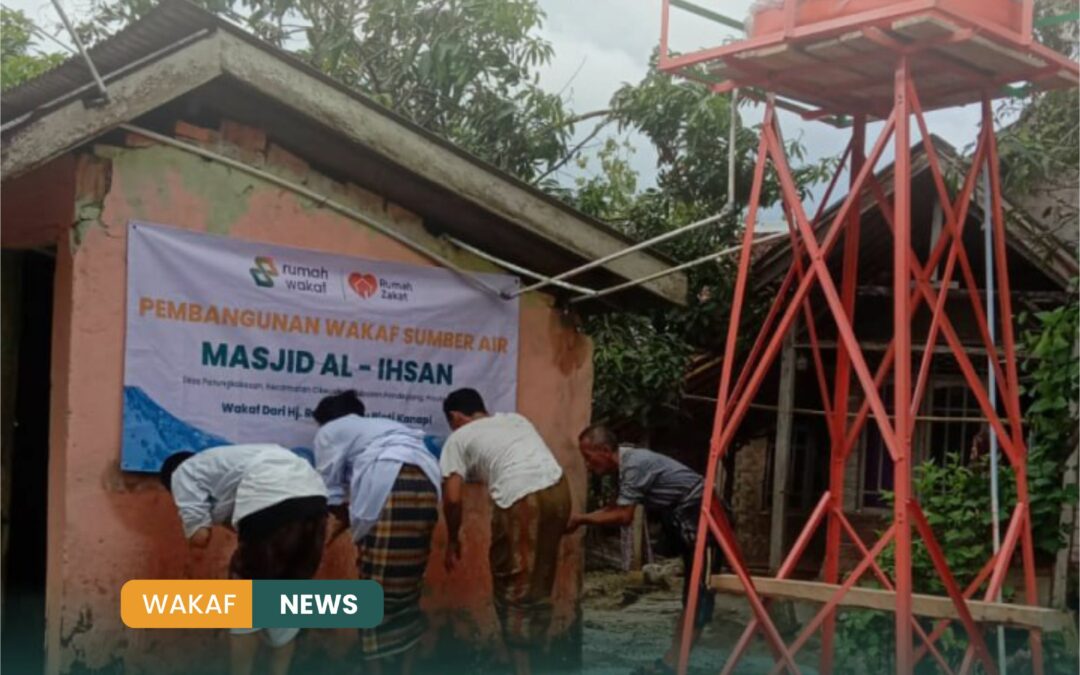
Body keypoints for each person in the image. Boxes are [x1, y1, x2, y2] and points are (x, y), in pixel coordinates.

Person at [567, 425, 727, 675]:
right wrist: (581, 518)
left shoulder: (633, 465)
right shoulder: (627, 465)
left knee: (698, 597)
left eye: (588, 457)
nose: (587, 465)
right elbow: (614, 508)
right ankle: (673, 664)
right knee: (691, 597)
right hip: (690, 524)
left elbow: (623, 516)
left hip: (705, 523)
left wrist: (581, 520)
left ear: (605, 450)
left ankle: (675, 666)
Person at [159, 444, 329, 675]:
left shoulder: (182, 473)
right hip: (316, 503)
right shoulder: (232, 472)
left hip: (276, 505)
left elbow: (200, 537)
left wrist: (193, 537)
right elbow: (246, 526)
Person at [439, 388, 571, 675]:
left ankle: (522, 668)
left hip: (523, 499)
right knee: (539, 584)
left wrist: (452, 539)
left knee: (513, 589)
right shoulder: (515, 420)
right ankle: (540, 662)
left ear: (454, 417)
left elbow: (451, 497)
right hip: (559, 489)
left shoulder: (458, 438)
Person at [311, 391, 441, 675]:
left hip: (391, 484)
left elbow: (330, 493)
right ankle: (405, 666)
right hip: (427, 482)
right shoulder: (382, 429)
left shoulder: (330, 431)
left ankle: (375, 668)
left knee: (375, 590)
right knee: (407, 582)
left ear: (328, 418)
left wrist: (322, 539)